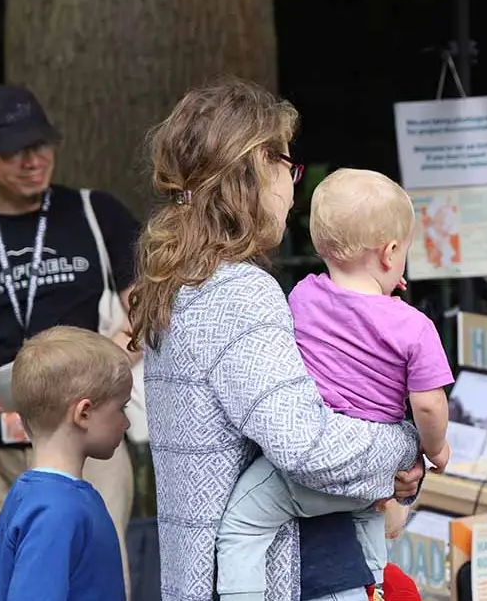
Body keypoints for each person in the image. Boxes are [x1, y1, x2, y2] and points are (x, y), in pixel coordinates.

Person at [129, 77, 425, 601]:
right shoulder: (239, 290)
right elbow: (306, 446)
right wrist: (403, 446)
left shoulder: (175, 282)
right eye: (288, 165)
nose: (293, 188)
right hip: (293, 577)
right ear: (252, 170)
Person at [0, 84, 138, 601]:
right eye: (13, 150)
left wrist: (103, 361)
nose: (33, 159)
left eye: (40, 143)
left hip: (86, 436)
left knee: (99, 581)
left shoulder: (96, 213)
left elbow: (146, 311)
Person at [215, 168, 453, 600]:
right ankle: (375, 587)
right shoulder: (414, 327)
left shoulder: (301, 297)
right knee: (369, 524)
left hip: (307, 475)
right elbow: (431, 405)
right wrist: (435, 449)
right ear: (391, 253)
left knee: (242, 525)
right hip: (370, 481)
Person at [0, 326, 131, 601]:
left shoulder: (35, 496)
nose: (127, 422)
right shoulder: (57, 510)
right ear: (83, 412)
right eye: (121, 407)